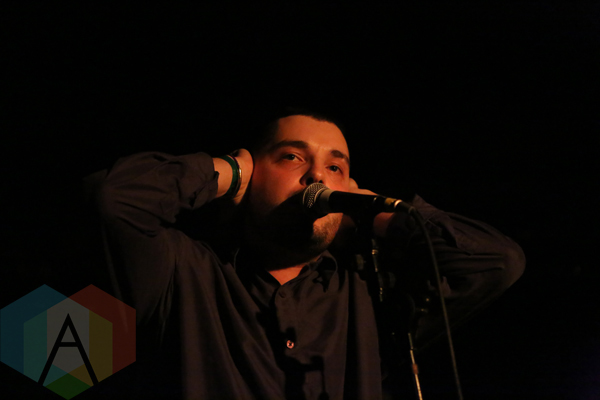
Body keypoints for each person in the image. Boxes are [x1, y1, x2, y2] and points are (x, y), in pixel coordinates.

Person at [90, 108, 525, 399]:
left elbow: (497, 261)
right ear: (251, 176)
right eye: (292, 157)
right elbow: (117, 199)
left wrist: (377, 214)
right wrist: (229, 170)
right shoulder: (182, 270)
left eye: (335, 167)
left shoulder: (372, 295)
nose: (318, 175)